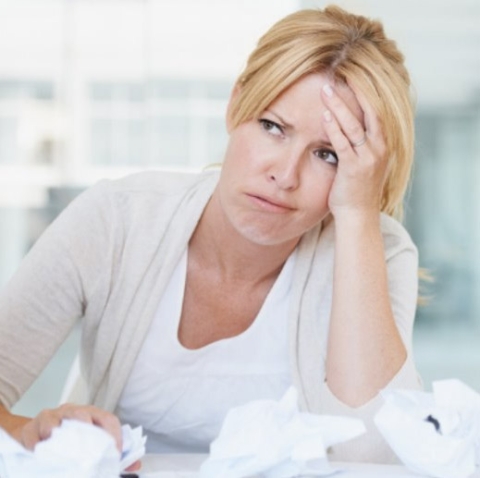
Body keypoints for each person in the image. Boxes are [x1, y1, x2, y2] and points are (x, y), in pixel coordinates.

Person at [0, 4, 422, 465]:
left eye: (328, 155)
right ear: (235, 105)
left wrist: (359, 215)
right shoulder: (117, 220)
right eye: (272, 127)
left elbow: (378, 455)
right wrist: (26, 431)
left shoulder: (377, 249)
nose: (284, 175)